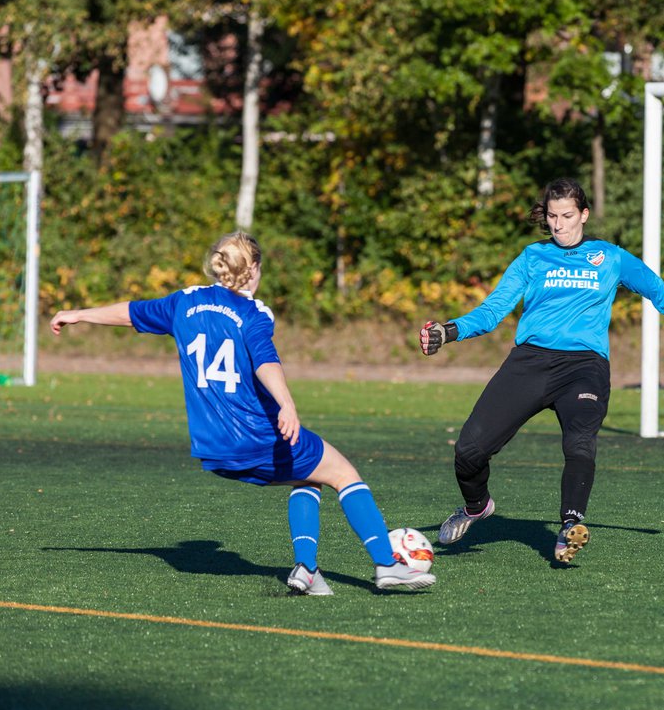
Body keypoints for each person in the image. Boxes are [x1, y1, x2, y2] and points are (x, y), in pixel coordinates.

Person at [50, 231, 435, 595]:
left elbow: (131, 312)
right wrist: (287, 402)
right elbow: (264, 359)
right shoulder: (253, 312)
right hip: (256, 436)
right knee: (345, 474)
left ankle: (308, 571)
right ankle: (387, 565)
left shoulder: (181, 302)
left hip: (213, 448)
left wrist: (79, 313)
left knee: (308, 478)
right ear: (251, 271)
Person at [418, 178, 664, 563]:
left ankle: (570, 526)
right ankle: (477, 506)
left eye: (567, 216)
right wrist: (449, 331)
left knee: (580, 442)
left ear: (583, 215)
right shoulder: (532, 257)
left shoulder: (609, 257)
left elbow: (658, 291)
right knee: (468, 451)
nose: (559, 225)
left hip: (584, 368)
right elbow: (492, 311)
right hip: (529, 364)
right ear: (544, 217)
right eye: (552, 216)